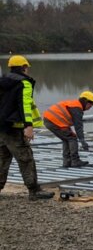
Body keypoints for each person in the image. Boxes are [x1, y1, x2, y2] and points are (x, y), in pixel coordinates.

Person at [0, 55, 54, 200]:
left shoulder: (3, 81)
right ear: (24, 67)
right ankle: (34, 190)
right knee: (26, 158)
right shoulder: (24, 83)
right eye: (27, 67)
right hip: (14, 128)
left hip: (2, 127)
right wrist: (28, 126)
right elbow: (24, 105)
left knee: (2, 159)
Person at [43, 91, 93, 167]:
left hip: (49, 120)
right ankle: (75, 161)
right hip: (54, 121)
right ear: (85, 102)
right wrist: (82, 140)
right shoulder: (77, 108)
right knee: (72, 138)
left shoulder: (74, 104)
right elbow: (78, 126)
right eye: (90, 105)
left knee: (67, 138)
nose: (89, 108)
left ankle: (67, 162)